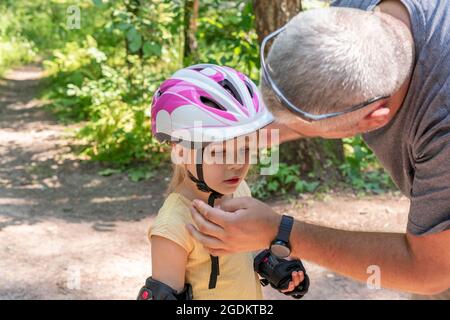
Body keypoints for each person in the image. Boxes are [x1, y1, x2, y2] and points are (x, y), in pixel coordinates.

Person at [187, 1, 450, 297]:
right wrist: (243, 137)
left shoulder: (442, 124)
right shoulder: (348, 19)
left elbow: (430, 269)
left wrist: (280, 232)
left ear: (373, 120)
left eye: (301, 126)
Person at [137, 64, 308, 300]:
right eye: (220, 153)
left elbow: (248, 248)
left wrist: (274, 265)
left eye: (246, 149)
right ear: (181, 152)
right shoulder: (173, 226)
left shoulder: (238, 191)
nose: (237, 164)